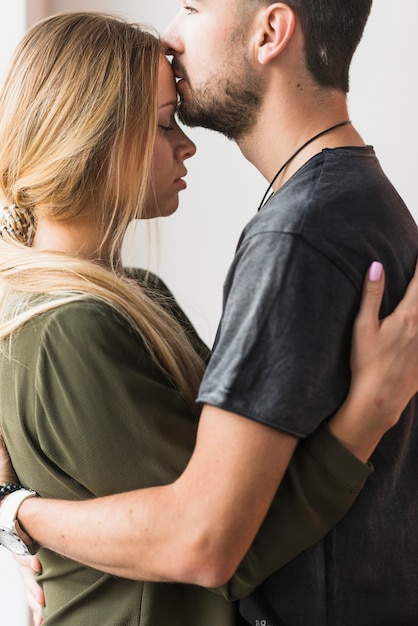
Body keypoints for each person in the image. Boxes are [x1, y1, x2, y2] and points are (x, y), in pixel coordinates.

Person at [0, 6, 418, 626]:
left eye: (195, 5)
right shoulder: (68, 327)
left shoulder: (139, 293)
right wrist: (364, 418)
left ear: (272, 31)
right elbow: (213, 544)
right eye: (165, 124)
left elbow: (213, 527)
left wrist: (17, 508)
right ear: (93, 138)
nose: (186, 143)